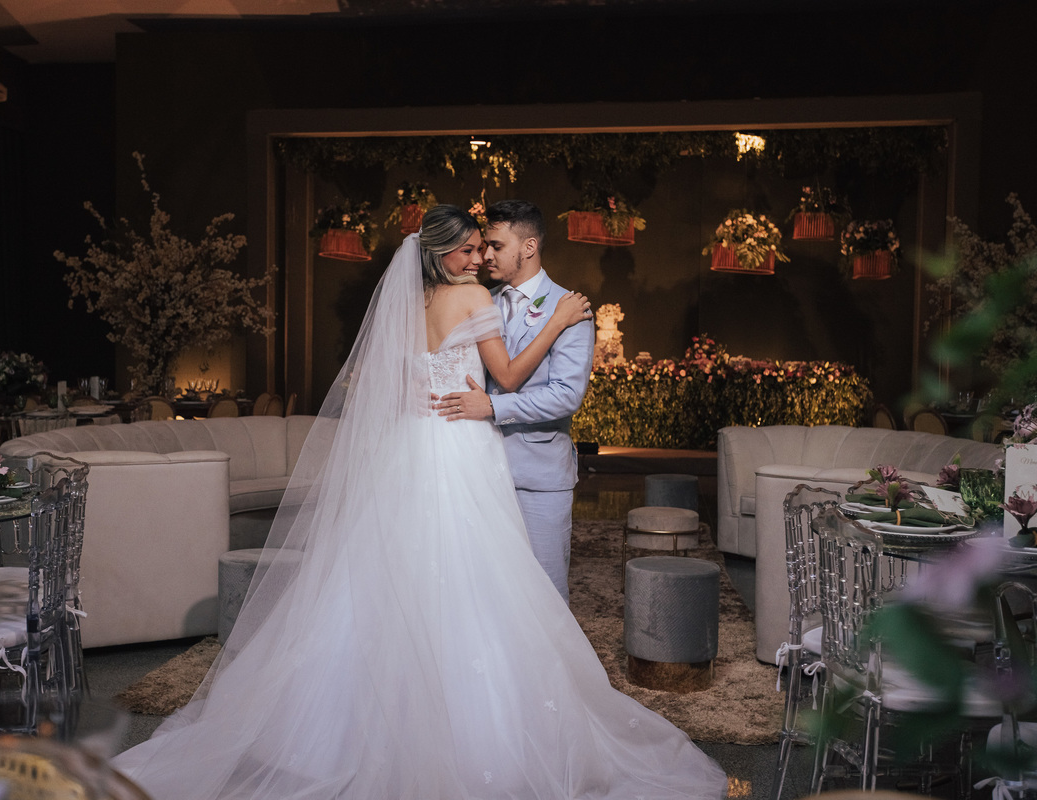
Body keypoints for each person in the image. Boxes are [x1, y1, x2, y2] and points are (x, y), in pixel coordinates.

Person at [112, 205, 728, 800]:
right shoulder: (475, 297)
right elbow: (508, 378)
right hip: (461, 447)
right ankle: (501, 725)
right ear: (444, 252)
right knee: (484, 581)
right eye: (471, 248)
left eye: (487, 247)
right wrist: (555, 322)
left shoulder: (411, 303)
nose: (480, 257)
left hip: (412, 448)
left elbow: (408, 379)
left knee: (400, 577)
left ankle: (355, 724)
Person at [435, 200, 591, 604]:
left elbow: (566, 394)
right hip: (477, 472)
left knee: (545, 595)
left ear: (529, 246)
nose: (485, 255)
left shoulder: (570, 309)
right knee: (489, 597)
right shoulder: (478, 298)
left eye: (496, 246)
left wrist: (494, 407)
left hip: (538, 477)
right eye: (483, 246)